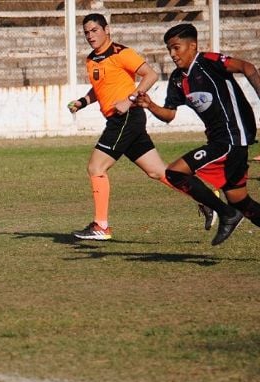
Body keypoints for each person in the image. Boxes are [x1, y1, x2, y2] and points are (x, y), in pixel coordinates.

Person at [66, 13, 215, 240]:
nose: (90, 35)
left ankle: (101, 226)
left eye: (94, 30)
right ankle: (206, 199)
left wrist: (130, 99)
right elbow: (100, 88)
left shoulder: (121, 53)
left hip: (126, 118)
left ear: (107, 30)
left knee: (96, 168)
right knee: (157, 171)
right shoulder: (91, 60)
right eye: (86, 32)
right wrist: (82, 102)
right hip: (121, 120)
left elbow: (150, 75)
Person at [136, 23, 260, 245]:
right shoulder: (177, 79)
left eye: (176, 48)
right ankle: (231, 212)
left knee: (174, 172)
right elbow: (169, 115)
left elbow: (247, 67)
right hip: (221, 141)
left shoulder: (209, 62)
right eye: (169, 50)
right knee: (239, 200)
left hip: (233, 137)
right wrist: (150, 105)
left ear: (192, 45)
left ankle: (227, 214)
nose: (172, 55)